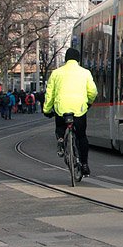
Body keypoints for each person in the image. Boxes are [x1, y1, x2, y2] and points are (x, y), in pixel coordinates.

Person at [42, 48, 98, 176]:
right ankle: (84, 164)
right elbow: (93, 92)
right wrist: (88, 103)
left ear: (66, 59)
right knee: (82, 136)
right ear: (78, 60)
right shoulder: (85, 72)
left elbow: (50, 94)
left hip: (62, 108)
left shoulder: (56, 73)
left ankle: (61, 139)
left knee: (60, 126)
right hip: (79, 109)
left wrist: (46, 110)